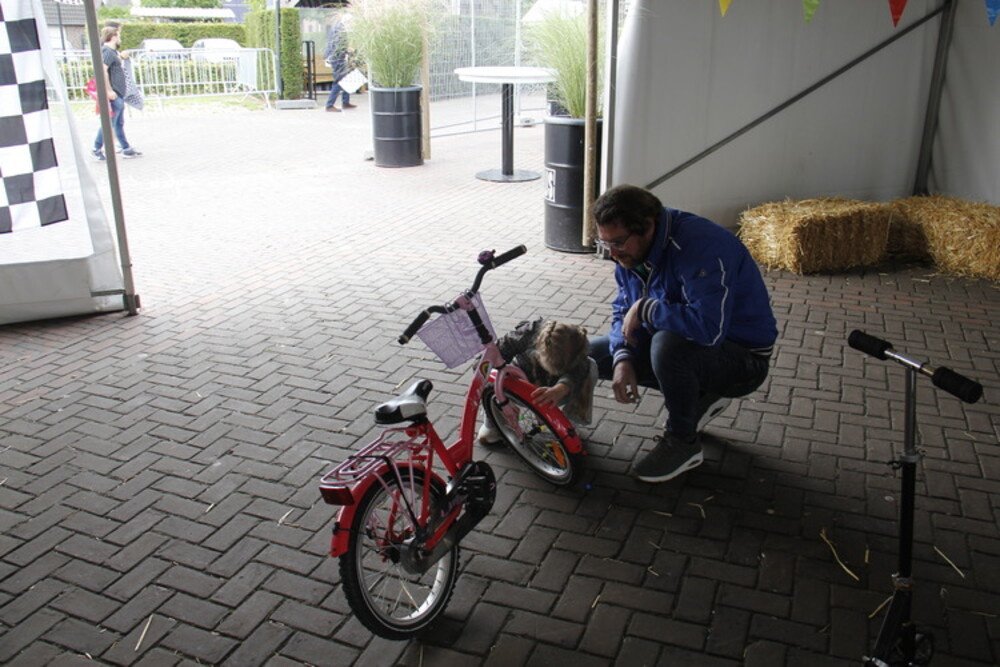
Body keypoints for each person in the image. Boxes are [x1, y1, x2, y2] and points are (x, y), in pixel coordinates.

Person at [589, 184, 777, 483]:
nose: (612, 254)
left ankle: (683, 443)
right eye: (604, 243)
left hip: (743, 358)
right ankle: (699, 397)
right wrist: (622, 356)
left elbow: (709, 329)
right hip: (686, 341)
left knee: (669, 347)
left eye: (619, 242)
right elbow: (623, 309)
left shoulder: (703, 245)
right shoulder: (627, 254)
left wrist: (647, 309)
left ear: (648, 226)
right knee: (590, 354)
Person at [478, 319, 597, 444]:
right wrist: (500, 398)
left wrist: (562, 388)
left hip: (556, 391)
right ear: (539, 349)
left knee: (591, 367)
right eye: (550, 366)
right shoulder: (524, 335)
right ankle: (493, 423)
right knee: (491, 384)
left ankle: (569, 423)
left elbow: (582, 368)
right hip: (520, 385)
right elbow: (482, 366)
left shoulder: (577, 342)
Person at [93, 27, 141, 161]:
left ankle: (125, 148)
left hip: (118, 93)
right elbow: (102, 70)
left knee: (117, 123)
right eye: (118, 36)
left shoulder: (111, 52)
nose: (120, 38)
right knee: (109, 123)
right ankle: (96, 148)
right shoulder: (107, 52)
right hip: (114, 93)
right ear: (113, 37)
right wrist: (108, 90)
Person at [323, 20, 356, 113]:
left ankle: (345, 102)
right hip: (337, 59)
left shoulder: (337, 27)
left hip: (337, 58)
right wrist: (347, 50)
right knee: (339, 81)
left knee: (346, 78)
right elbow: (338, 46)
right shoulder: (340, 30)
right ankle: (329, 105)